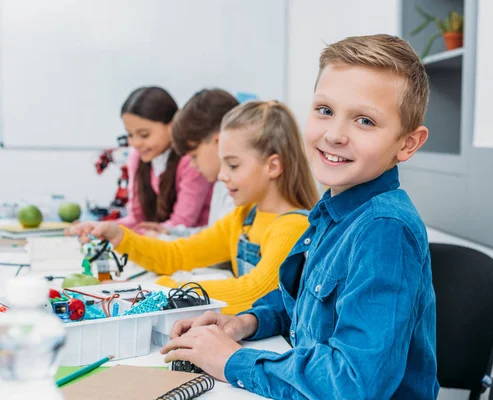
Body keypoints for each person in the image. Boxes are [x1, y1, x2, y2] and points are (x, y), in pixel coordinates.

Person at [160, 34, 440, 399]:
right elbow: (309, 306)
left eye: (365, 121)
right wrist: (247, 322)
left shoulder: (383, 231)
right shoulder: (334, 212)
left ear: (407, 143)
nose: (335, 135)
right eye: (325, 110)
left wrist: (233, 362)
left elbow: (354, 383)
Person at [67, 100, 319, 315]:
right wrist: (118, 235)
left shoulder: (292, 226)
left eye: (232, 165)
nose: (221, 176)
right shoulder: (244, 218)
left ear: (273, 167)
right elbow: (180, 253)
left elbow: (254, 292)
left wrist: (168, 291)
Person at [135, 88, 238, 238]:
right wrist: (170, 232)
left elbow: (218, 249)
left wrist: (162, 241)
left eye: (194, 156)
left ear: (219, 141)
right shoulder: (221, 185)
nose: (192, 165)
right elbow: (212, 235)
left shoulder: (240, 191)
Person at [116, 86, 213, 233]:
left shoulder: (191, 160)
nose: (135, 143)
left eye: (144, 135)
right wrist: (102, 228)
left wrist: (131, 237)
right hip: (162, 242)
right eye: (130, 134)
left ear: (171, 126)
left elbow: (182, 223)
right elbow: (136, 218)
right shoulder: (137, 156)